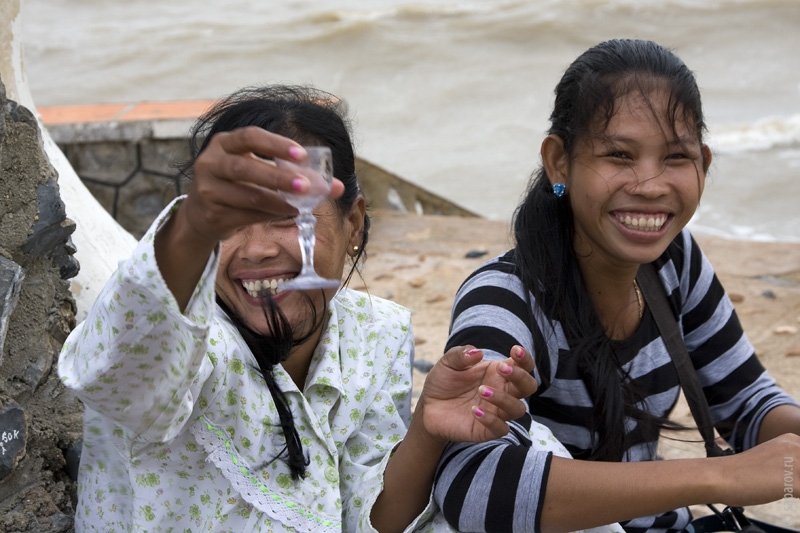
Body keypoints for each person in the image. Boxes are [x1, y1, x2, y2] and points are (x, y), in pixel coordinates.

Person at [57, 84, 537, 533]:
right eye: (230, 219)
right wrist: (192, 227)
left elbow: (365, 518)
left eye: (288, 216)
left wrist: (428, 429)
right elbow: (120, 373)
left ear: (353, 224)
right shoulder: (180, 335)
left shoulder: (377, 333)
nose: (257, 248)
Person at [432, 39, 800, 533]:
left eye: (675, 157)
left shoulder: (676, 261)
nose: (650, 184)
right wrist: (720, 476)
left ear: (704, 165)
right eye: (619, 154)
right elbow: (472, 487)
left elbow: (748, 400)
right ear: (559, 162)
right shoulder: (504, 299)